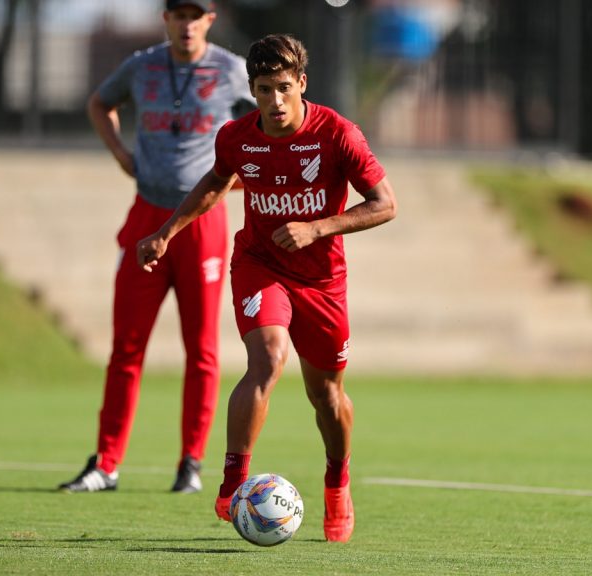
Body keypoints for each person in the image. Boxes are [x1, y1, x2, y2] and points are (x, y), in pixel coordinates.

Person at [136, 33, 397, 542]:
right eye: (263, 89)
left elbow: (386, 203)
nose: (275, 101)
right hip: (260, 265)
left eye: (283, 88)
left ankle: (337, 480)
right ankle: (233, 481)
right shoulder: (236, 137)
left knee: (327, 395)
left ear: (302, 83)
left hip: (322, 280)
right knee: (268, 360)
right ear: (252, 90)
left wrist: (318, 228)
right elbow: (216, 183)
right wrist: (166, 233)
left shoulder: (338, 134)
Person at [59, 0, 255, 494]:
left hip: (203, 224)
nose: (187, 24)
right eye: (178, 14)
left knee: (202, 349)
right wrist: (122, 154)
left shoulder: (232, 71)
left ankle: (191, 463)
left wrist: (235, 181)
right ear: (166, 19)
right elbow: (99, 104)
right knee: (126, 346)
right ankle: (106, 462)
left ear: (210, 19)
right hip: (146, 215)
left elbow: (270, 127)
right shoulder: (141, 66)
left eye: (196, 15)